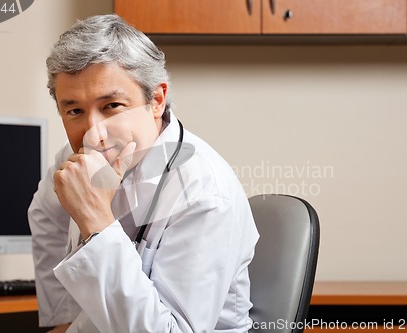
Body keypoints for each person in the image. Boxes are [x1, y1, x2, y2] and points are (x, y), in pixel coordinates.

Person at [28, 14, 259, 333]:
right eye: (75, 111)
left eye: (112, 106)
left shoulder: (205, 192)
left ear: (156, 101)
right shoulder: (79, 157)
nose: (95, 132)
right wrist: (62, 320)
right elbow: (44, 214)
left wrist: (95, 220)